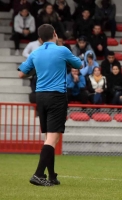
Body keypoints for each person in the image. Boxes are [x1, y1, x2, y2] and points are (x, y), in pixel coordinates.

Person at [18, 24, 82, 186]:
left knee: (49, 137)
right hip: (56, 96)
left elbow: (21, 73)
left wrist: (38, 70)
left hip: (40, 96)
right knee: (52, 138)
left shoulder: (35, 52)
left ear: (40, 38)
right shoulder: (62, 50)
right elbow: (78, 65)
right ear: (54, 34)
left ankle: (51, 175)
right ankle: (39, 174)